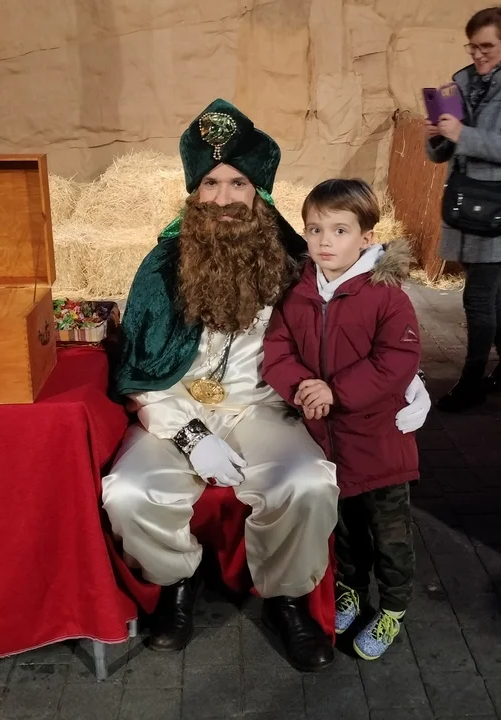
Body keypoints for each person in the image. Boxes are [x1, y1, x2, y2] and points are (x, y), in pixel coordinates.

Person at [102, 100, 431, 672]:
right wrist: (190, 437)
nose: (225, 198)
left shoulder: (294, 259)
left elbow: (353, 315)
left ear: (259, 192)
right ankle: (176, 585)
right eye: (211, 183)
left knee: (307, 483)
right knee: (127, 494)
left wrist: (409, 378)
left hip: (264, 407)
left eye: (239, 183)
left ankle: (288, 598)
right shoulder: (160, 267)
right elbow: (140, 370)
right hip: (175, 410)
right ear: (193, 192)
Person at [263, 179, 421, 660]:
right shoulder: (298, 293)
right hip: (327, 443)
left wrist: (336, 391)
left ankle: (393, 606)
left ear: (366, 237)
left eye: (339, 230)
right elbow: (277, 350)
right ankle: (351, 588)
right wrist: (300, 388)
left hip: (378, 444)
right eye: (315, 230)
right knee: (345, 528)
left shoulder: (386, 296)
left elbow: (396, 360)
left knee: (390, 533)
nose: (324, 241)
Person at [425, 6, 501, 412]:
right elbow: (443, 152)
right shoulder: (462, 83)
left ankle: (471, 383)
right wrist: (438, 135)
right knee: (494, 297)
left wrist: (462, 133)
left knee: (478, 297)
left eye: (486, 46)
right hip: (465, 202)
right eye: (472, 46)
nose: (477, 54)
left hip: (496, 207)